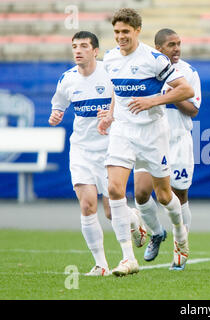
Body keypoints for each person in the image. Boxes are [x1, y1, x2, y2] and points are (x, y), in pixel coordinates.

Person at [97, 8, 194, 276]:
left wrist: (152, 100)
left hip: (153, 132)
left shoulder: (154, 59)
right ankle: (129, 258)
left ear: (137, 31)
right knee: (115, 189)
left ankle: (179, 232)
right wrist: (109, 114)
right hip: (123, 131)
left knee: (164, 196)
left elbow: (187, 90)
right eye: (116, 32)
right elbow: (118, 90)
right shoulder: (110, 58)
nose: (120, 37)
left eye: (125, 32)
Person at [131, 28, 201, 263]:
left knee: (178, 196)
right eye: (171, 44)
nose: (177, 48)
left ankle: (180, 249)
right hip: (150, 139)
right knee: (140, 193)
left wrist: (174, 94)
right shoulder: (145, 68)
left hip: (178, 141)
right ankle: (157, 233)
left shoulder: (188, 72)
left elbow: (193, 110)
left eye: (179, 43)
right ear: (158, 49)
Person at [49, 31, 113, 276]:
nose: (78, 50)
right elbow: (59, 103)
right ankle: (101, 265)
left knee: (111, 211)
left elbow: (127, 104)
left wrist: (110, 113)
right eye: (75, 46)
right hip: (82, 149)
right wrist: (56, 114)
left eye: (84, 46)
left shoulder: (110, 73)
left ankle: (133, 219)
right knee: (87, 205)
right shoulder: (67, 78)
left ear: (95, 51)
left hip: (109, 148)